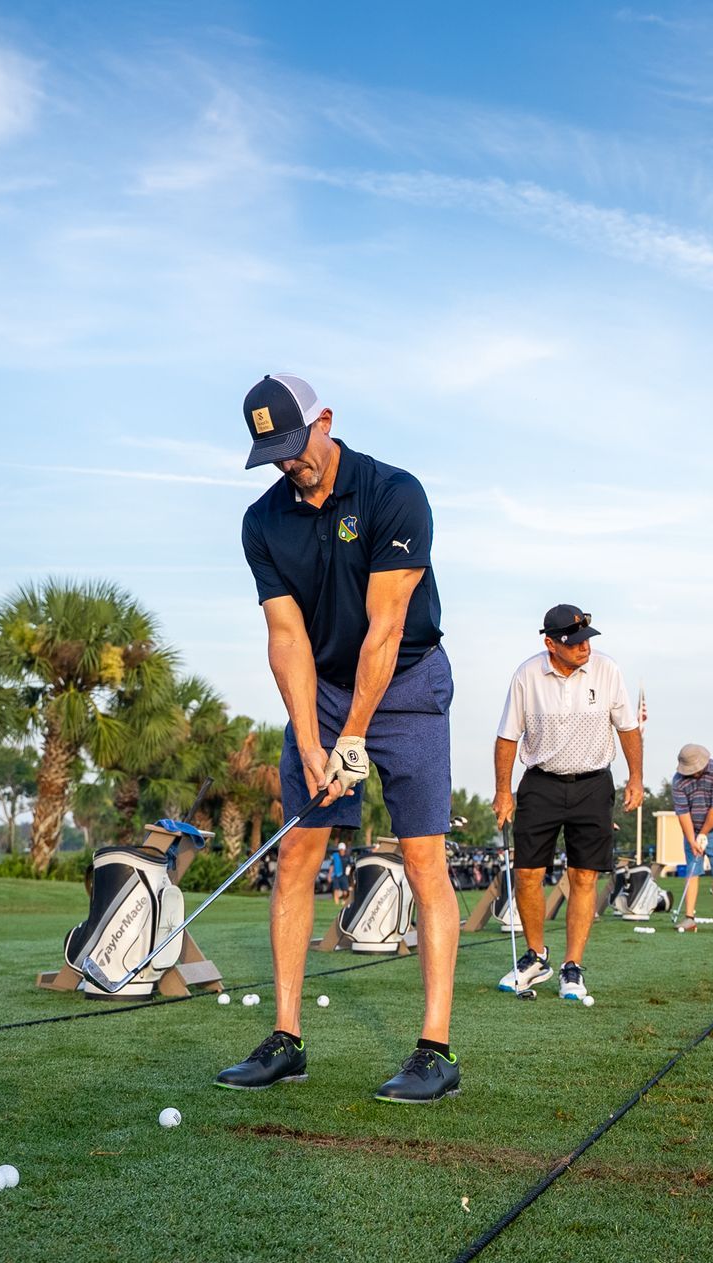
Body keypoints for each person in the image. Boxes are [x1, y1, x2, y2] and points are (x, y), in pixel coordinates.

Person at [216, 373, 462, 1104]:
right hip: (320, 688)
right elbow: (286, 637)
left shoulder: (394, 492)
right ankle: (286, 1039)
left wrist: (353, 737)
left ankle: (435, 1050)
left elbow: (386, 627)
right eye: (274, 454)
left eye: (296, 445)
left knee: (423, 858)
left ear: (325, 420)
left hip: (408, 683)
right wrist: (312, 736)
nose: (291, 464)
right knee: (297, 851)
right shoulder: (262, 522)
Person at [493, 605, 643, 1001]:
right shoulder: (527, 674)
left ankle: (572, 967)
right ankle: (535, 956)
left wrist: (637, 779)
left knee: (584, 876)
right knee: (527, 873)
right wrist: (503, 792)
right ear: (550, 643)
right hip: (540, 784)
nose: (583, 649)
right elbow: (507, 737)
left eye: (585, 640)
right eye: (572, 642)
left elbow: (627, 727)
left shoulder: (607, 670)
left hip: (593, 785)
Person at [672, 744, 713, 932]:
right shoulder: (678, 782)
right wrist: (692, 840)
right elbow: (683, 814)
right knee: (692, 871)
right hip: (693, 828)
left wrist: (703, 834)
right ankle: (689, 918)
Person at [328, 841, 350, 906]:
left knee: (345, 892)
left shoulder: (347, 857)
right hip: (336, 876)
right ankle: (336, 904)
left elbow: (350, 866)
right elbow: (332, 866)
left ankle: (343, 900)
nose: (341, 851)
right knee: (336, 890)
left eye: (342, 849)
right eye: (340, 849)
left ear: (344, 849)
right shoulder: (335, 856)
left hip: (344, 876)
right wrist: (329, 875)